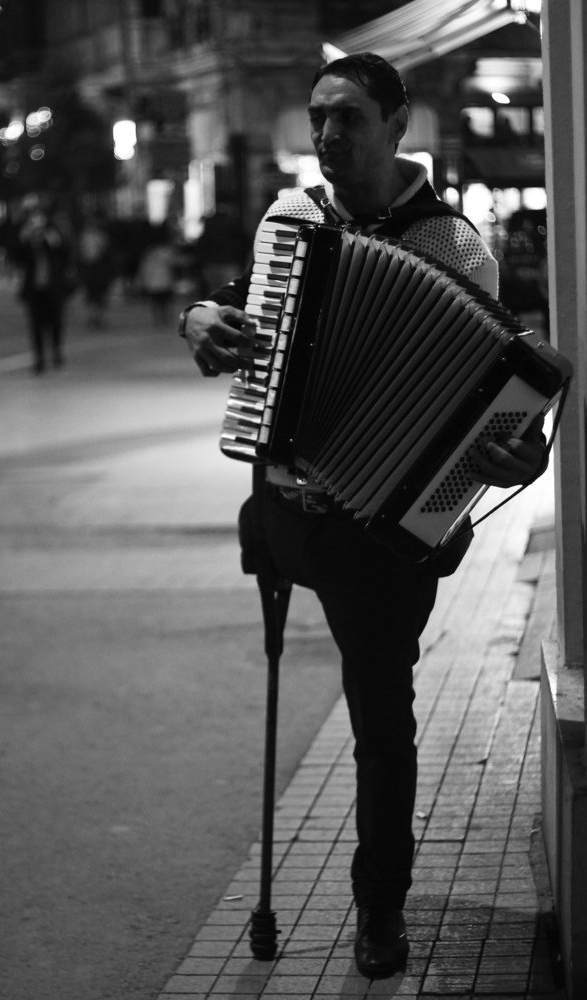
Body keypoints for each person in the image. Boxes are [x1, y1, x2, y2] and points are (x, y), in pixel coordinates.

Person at [178, 53, 548, 979]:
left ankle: (380, 906)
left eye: (347, 116)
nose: (327, 134)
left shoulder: (453, 246)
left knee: (381, 723)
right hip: (283, 504)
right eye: (318, 116)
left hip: (378, 531)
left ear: (396, 123)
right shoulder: (288, 219)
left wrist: (524, 450)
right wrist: (199, 320)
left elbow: (492, 395)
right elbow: (239, 312)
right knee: (306, 673)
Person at [13, 205, 73, 374]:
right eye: (33, 220)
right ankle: (39, 358)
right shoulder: (27, 241)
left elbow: (66, 258)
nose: (37, 224)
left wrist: (55, 242)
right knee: (36, 325)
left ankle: (56, 350)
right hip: (34, 289)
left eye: (39, 219)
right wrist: (23, 240)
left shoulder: (53, 237)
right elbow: (17, 259)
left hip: (54, 288)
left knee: (55, 322)